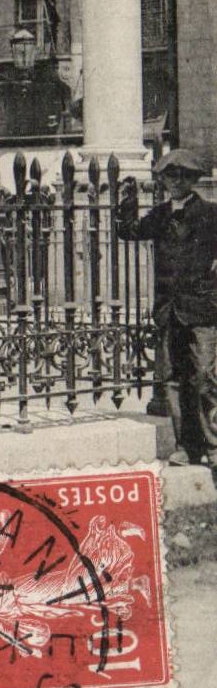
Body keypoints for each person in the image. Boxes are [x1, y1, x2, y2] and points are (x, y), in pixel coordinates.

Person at [117, 150, 217, 467]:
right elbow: (128, 231)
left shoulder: (211, 214)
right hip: (169, 310)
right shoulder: (159, 216)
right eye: (170, 176)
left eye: (183, 176)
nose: (176, 182)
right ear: (162, 180)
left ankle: (214, 447)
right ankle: (185, 447)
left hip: (202, 310)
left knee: (204, 377)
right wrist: (127, 201)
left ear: (193, 180)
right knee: (173, 379)